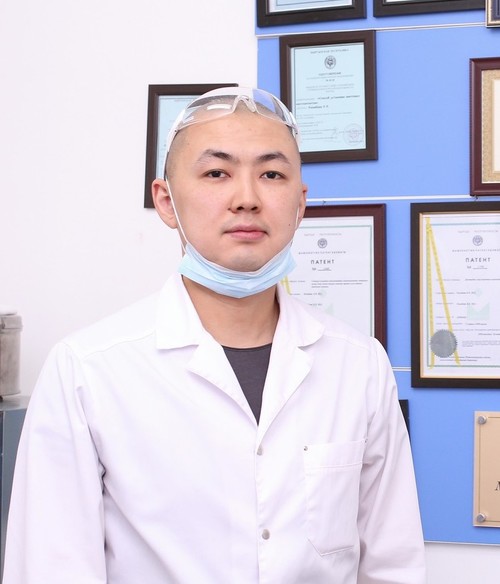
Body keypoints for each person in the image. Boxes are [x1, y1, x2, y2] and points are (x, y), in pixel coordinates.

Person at [3, 87, 426, 584]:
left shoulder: (358, 364)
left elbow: (393, 565)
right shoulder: (88, 369)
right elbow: (50, 569)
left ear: (300, 203)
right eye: (216, 173)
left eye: (271, 174)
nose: (246, 198)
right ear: (166, 201)